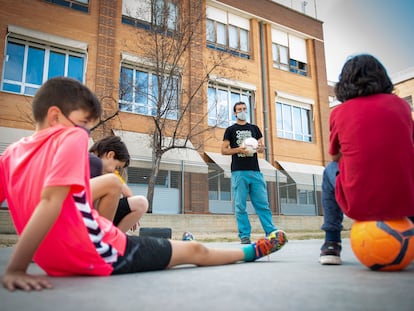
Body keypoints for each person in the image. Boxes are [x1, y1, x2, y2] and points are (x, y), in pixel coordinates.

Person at [1, 77, 287, 292]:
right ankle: (253, 251)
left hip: (57, 260)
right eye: (84, 124)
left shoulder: (10, 154)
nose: (85, 133)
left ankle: (181, 243)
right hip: (96, 251)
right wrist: (16, 268)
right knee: (195, 253)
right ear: (55, 116)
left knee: (166, 246)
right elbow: (51, 202)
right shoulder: (71, 137)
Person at [319, 54, 414, 265]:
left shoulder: (340, 112)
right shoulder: (402, 106)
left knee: (329, 171)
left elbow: (334, 155)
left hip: (359, 203)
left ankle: (331, 244)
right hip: (406, 202)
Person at [221, 101, 287, 246]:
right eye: (239, 109)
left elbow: (262, 147)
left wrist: (261, 148)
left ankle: (271, 232)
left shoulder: (254, 128)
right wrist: (239, 149)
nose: (242, 111)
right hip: (239, 172)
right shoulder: (230, 130)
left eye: (244, 109)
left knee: (263, 204)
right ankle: (244, 235)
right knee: (240, 206)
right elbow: (224, 150)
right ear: (235, 113)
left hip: (255, 172)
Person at [89, 136, 148, 233]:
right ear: (110, 155)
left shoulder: (107, 171)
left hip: (96, 215)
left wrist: (132, 216)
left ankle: (114, 238)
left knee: (141, 203)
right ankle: (106, 237)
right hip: (81, 211)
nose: (114, 171)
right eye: (116, 167)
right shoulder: (93, 162)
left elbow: (127, 192)